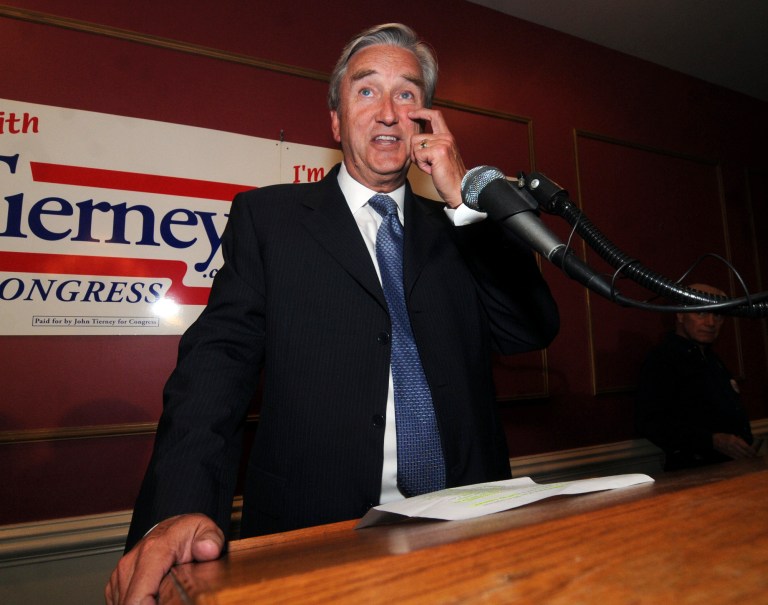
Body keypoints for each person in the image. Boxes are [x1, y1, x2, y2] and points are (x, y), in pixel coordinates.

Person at [106, 23, 559, 604]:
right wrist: (175, 511)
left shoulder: (460, 227)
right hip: (314, 536)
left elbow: (529, 328)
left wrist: (463, 201)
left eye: (408, 93)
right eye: (367, 91)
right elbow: (214, 369)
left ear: (426, 121)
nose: (390, 111)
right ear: (337, 121)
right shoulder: (268, 220)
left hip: (468, 536)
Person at [636, 283, 757, 471]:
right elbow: (652, 423)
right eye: (700, 313)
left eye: (717, 314)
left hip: (732, 469)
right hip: (692, 472)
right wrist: (712, 440)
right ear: (680, 314)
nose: (710, 322)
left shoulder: (712, 359)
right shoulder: (662, 359)